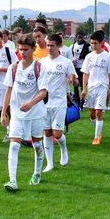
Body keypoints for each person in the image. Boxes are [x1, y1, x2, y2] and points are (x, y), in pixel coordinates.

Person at [1, 33, 48, 192]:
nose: (23, 52)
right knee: (14, 145)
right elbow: (8, 91)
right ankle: (12, 180)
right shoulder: (13, 68)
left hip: (35, 112)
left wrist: (30, 103)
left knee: (37, 145)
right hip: (17, 113)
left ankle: (37, 173)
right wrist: (3, 113)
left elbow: (43, 92)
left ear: (33, 49)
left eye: (26, 49)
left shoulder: (39, 67)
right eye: (20, 49)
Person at [41, 34, 78, 172]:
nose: (49, 48)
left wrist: (73, 80)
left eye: (52, 45)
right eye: (48, 45)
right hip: (44, 103)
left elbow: (75, 81)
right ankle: (49, 163)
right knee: (47, 133)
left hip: (59, 102)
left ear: (58, 46)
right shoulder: (41, 62)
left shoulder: (66, 62)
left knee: (57, 134)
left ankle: (63, 149)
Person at [81, 31, 110, 145]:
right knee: (92, 113)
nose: (93, 45)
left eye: (95, 43)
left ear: (101, 43)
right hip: (91, 87)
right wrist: (84, 89)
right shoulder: (89, 56)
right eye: (92, 43)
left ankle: (96, 137)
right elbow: (85, 73)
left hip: (102, 87)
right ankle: (98, 131)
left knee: (99, 112)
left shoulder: (108, 57)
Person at [71, 32, 91, 109]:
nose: (80, 39)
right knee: (75, 86)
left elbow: (90, 55)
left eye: (82, 37)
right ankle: (77, 102)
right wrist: (73, 61)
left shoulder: (87, 46)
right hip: (75, 68)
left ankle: (82, 104)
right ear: (76, 38)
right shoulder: (72, 45)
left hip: (83, 69)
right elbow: (70, 56)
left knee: (83, 87)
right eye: (79, 37)